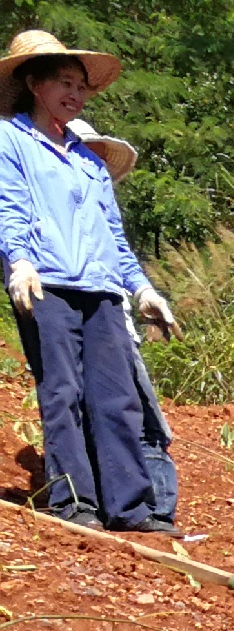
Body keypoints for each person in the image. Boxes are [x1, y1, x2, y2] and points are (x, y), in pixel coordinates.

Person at [0, 30, 177, 532]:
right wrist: (19, 261)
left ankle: (129, 507)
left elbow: (113, 235)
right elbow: (8, 205)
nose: (75, 94)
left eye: (81, 85)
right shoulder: (9, 139)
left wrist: (142, 288)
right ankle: (74, 503)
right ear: (34, 83)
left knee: (116, 396)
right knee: (62, 391)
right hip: (47, 283)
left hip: (100, 289)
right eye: (64, 82)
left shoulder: (88, 159)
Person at [66, 119, 176, 523]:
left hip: (117, 327)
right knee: (112, 414)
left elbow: (121, 255)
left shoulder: (100, 216)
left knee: (137, 417)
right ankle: (106, 504)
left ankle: (154, 507)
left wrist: (145, 292)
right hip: (75, 321)